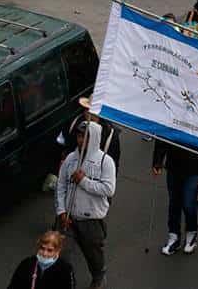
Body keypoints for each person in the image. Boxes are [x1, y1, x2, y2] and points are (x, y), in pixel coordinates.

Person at [56, 121, 116, 289]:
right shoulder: (70, 159)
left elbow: (108, 189)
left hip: (91, 221)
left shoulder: (106, 161)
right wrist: (61, 211)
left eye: (86, 137)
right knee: (64, 256)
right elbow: (61, 186)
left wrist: (84, 181)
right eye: (79, 136)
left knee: (93, 256)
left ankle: (98, 277)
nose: (81, 140)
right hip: (69, 219)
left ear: (95, 138)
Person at [152, 139, 198, 256]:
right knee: (174, 202)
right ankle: (173, 235)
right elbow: (164, 133)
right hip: (173, 164)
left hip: (195, 168)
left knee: (188, 203)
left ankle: (191, 232)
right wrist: (157, 160)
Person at [8, 231, 75, 289]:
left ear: (58, 251)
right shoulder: (26, 264)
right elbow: (13, 286)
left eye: (50, 250)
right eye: (42, 248)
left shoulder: (66, 269)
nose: (44, 253)